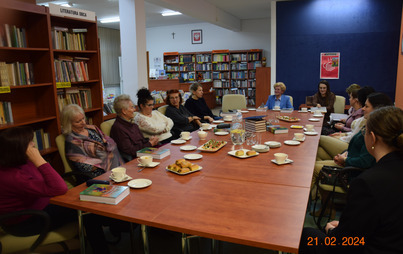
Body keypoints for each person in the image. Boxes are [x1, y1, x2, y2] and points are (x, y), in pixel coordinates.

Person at [300, 106, 403, 254]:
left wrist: (332, 231)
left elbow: (345, 243)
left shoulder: (367, 183)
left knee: (308, 235)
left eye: (364, 131)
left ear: (372, 138)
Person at [0, 126, 75, 236]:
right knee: (85, 211)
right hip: (27, 221)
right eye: (30, 142)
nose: (34, 145)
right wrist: (38, 159)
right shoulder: (14, 177)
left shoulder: (20, 162)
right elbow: (60, 188)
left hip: (42, 204)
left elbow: (48, 182)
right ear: (19, 149)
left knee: (84, 204)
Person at [61, 104, 122, 180]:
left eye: (83, 118)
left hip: (111, 167)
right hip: (95, 176)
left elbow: (110, 142)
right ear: (69, 123)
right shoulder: (72, 141)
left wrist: (107, 153)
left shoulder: (92, 128)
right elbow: (85, 167)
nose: (83, 122)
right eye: (78, 121)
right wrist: (105, 158)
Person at [110, 94, 159, 160]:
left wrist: (150, 140)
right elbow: (131, 151)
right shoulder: (118, 128)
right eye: (132, 107)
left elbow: (141, 141)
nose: (134, 110)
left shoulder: (131, 123)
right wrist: (149, 144)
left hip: (144, 153)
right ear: (124, 111)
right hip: (136, 159)